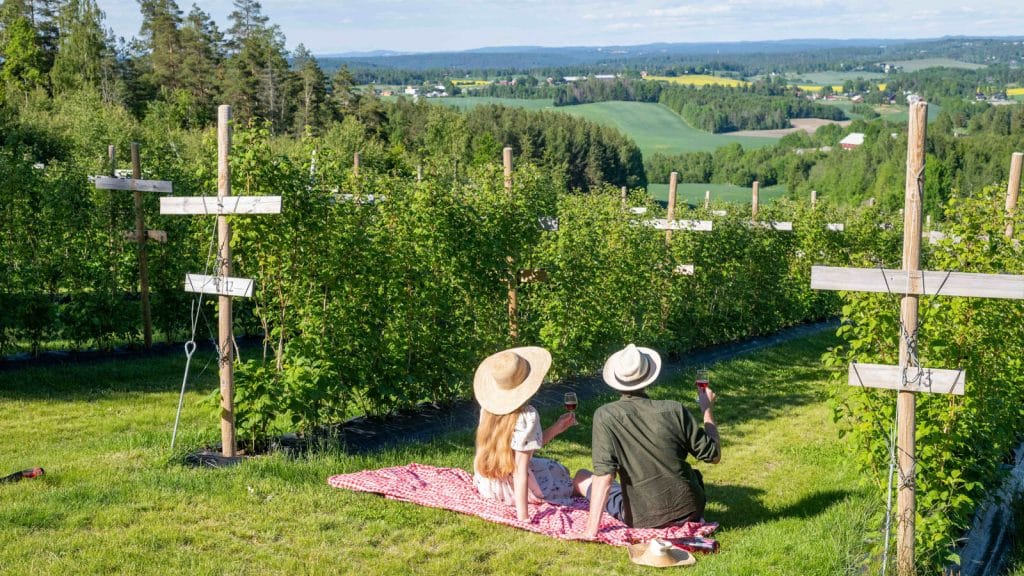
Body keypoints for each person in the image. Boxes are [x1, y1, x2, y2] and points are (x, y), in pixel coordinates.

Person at [574, 344, 720, 537]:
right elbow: (714, 455)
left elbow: (605, 477)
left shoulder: (605, 416)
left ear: (617, 381)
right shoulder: (674, 409)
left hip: (644, 518)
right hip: (691, 510)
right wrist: (707, 410)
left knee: (581, 476)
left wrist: (590, 532)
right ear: (648, 377)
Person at [472, 346, 578, 522]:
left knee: (559, 469)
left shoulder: (488, 408)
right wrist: (523, 516)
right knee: (565, 479)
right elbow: (520, 470)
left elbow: (524, 448)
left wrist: (557, 427)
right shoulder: (526, 415)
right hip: (511, 489)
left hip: (488, 483)